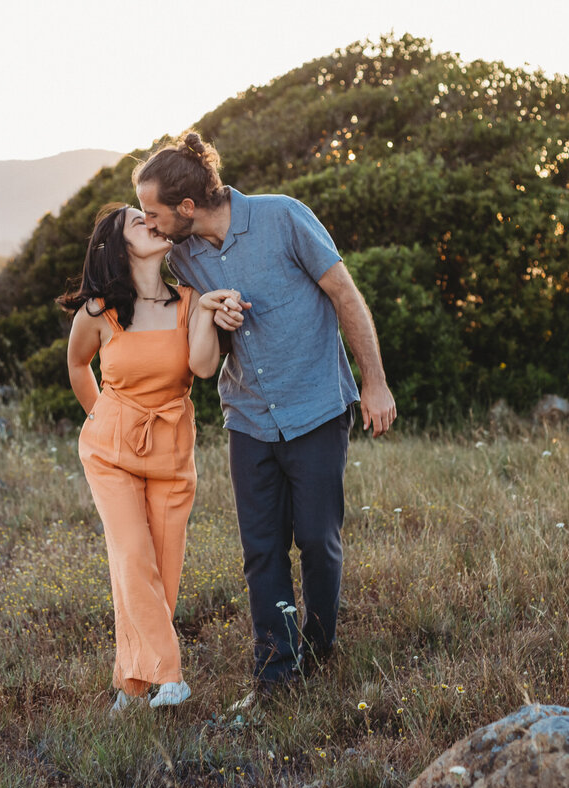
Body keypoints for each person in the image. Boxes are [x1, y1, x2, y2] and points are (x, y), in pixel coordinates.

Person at [133, 132, 397, 705]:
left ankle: (321, 650)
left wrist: (374, 381)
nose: (147, 222)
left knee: (318, 539)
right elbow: (192, 327)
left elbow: (345, 296)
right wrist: (213, 310)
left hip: (316, 410)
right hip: (247, 417)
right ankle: (275, 674)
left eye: (153, 212)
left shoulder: (284, 218)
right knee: (261, 548)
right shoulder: (180, 256)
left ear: (186, 207)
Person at [58, 202, 244, 714]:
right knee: (133, 556)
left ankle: (132, 684)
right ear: (118, 246)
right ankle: (170, 676)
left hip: (171, 451)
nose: (152, 222)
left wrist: (210, 311)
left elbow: (203, 369)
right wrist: (102, 416)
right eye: (138, 222)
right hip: (111, 451)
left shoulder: (189, 302)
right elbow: (77, 365)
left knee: (159, 568)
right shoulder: (98, 311)